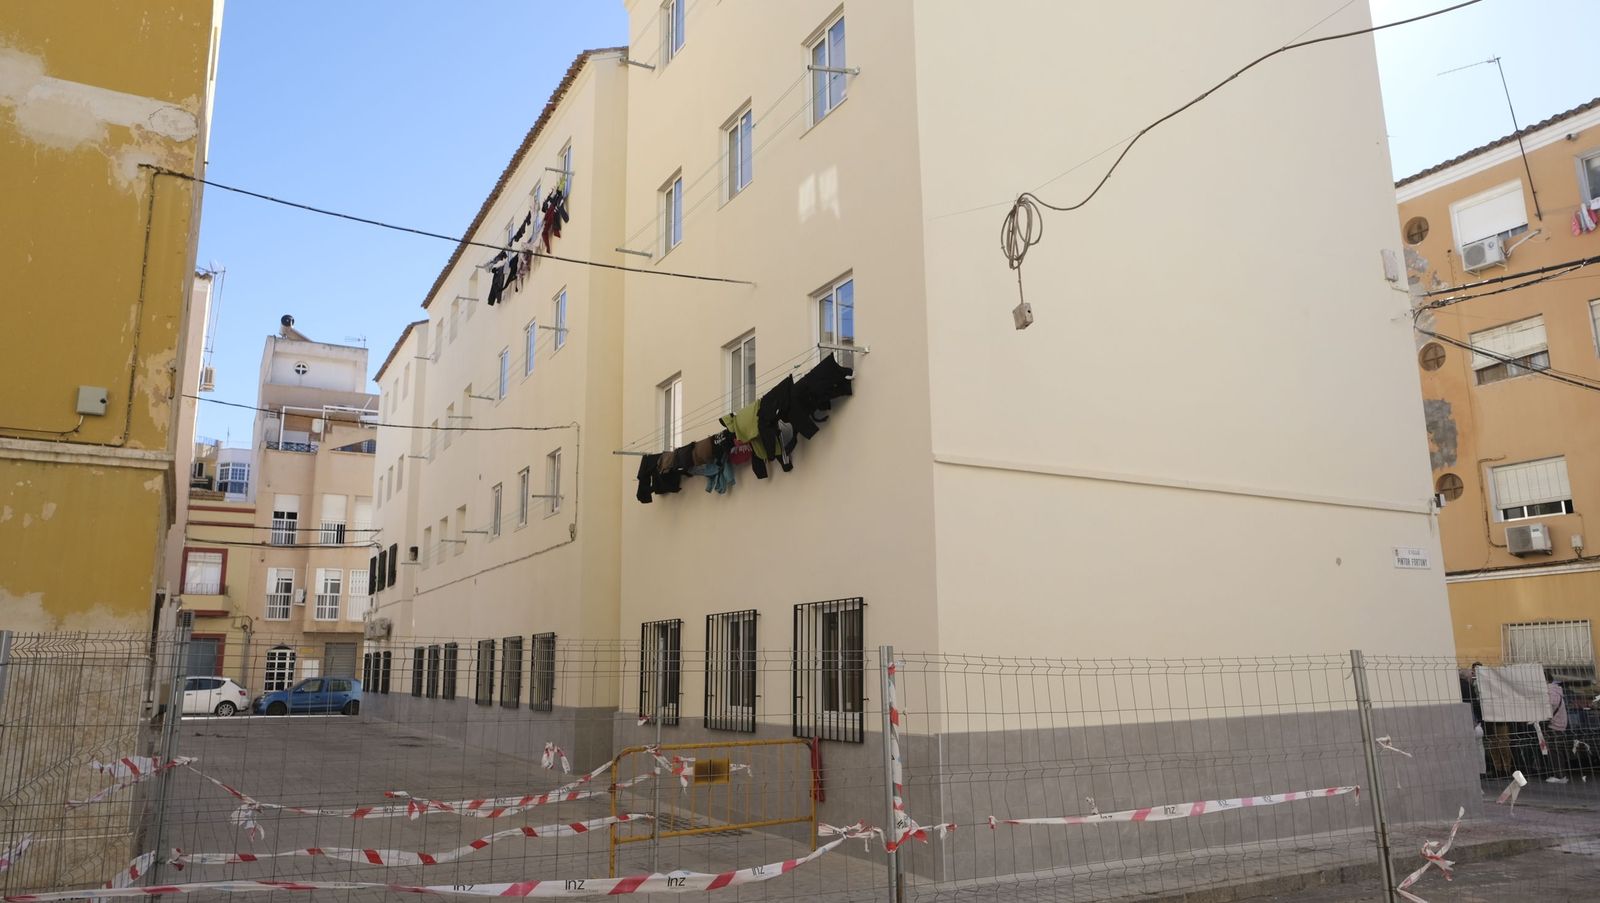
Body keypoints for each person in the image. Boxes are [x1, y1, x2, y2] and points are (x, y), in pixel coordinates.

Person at [1545, 670, 1570, 784]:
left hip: (1555, 724)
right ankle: (1560, 774)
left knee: (1555, 750)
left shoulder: (1550, 691)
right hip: (1559, 723)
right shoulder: (1556, 689)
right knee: (1557, 750)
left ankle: (1559, 775)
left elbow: (1551, 706)